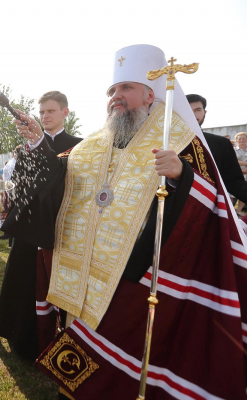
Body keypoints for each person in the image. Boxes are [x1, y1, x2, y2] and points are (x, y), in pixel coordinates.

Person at [27, 44, 247, 399]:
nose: (116, 97)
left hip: (138, 280)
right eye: (113, 90)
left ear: (150, 94)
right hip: (82, 278)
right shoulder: (91, 145)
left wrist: (182, 175)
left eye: (125, 88)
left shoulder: (180, 140)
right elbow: (58, 183)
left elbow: (215, 206)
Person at [0, 91, 82, 361]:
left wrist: (39, 142)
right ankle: (19, 335)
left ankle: (53, 339)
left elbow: (60, 177)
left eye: (51, 111)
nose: (45, 116)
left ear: (65, 112)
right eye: (41, 112)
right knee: (21, 282)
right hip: (29, 229)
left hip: (59, 229)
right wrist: (6, 209)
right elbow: (22, 184)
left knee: (53, 289)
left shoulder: (79, 146)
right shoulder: (26, 148)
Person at [186, 94, 247, 205]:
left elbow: (233, 182)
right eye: (187, 110)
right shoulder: (165, 142)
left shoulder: (220, 144)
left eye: (197, 110)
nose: (193, 115)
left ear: (205, 112)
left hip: (209, 208)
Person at [235, 132, 247, 214]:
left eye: (243, 138)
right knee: (231, 193)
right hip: (236, 174)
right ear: (236, 140)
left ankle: (239, 210)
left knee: (244, 193)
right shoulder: (233, 150)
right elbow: (233, 161)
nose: (241, 140)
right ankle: (230, 210)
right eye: (239, 138)